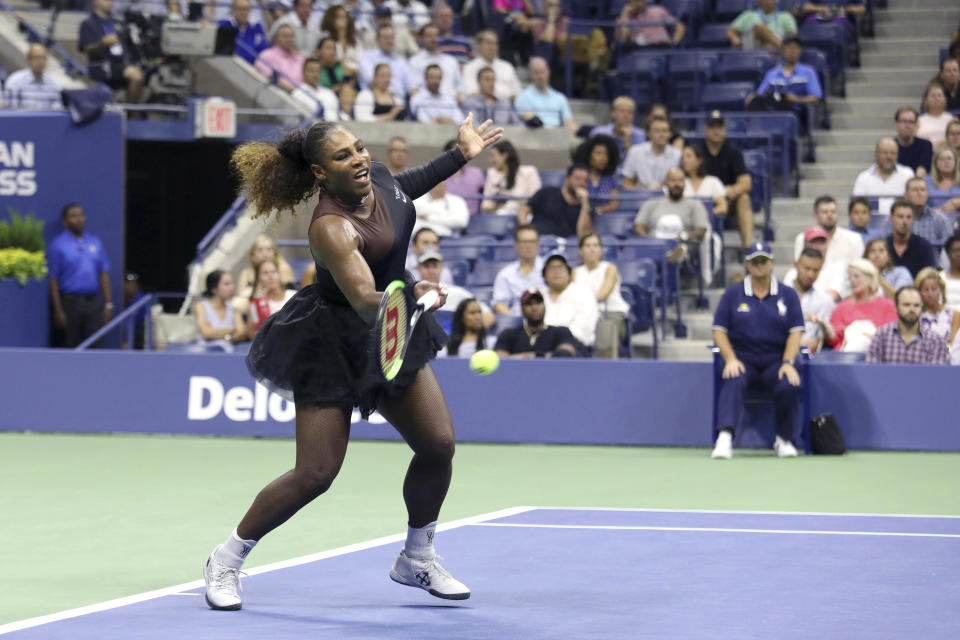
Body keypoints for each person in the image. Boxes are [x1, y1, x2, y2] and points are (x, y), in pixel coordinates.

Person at [203, 114, 502, 610]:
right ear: (321, 173)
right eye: (343, 156)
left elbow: (405, 190)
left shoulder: (376, 175)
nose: (359, 159)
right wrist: (416, 291)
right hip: (334, 339)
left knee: (439, 444)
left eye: (359, 149)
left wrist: (460, 154)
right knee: (316, 472)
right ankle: (226, 558)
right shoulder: (330, 227)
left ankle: (417, 558)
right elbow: (366, 299)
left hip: (395, 326)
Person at [711, 241, 804, 460]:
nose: (759, 265)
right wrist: (731, 359)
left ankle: (784, 439)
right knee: (733, 377)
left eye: (763, 261)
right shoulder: (732, 294)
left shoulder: (788, 295)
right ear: (747, 265)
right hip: (743, 358)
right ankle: (724, 438)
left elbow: (795, 332)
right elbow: (719, 330)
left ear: (771, 263)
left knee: (788, 383)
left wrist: (788, 363)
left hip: (776, 360)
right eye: (755, 262)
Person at [48, 203, 114, 349]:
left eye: (81, 215)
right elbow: (53, 279)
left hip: (94, 304)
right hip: (70, 303)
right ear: (65, 221)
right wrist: (58, 310)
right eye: (73, 216)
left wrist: (108, 303)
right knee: (70, 345)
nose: (79, 219)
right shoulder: (58, 244)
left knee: (96, 345)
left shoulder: (95, 242)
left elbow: (103, 273)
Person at [812, 259, 897, 352]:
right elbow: (834, 340)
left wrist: (873, 338)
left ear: (870, 278)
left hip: (879, 355)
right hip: (846, 356)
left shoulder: (888, 305)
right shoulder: (841, 307)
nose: (852, 280)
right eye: (850, 277)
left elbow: (893, 336)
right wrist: (826, 328)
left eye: (856, 276)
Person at [791, 195, 863, 300]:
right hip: (807, 294)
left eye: (833, 212)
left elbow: (859, 272)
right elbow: (801, 269)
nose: (830, 215)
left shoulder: (854, 239)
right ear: (815, 215)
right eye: (825, 212)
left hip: (845, 295)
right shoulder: (802, 239)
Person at [699, 111, 754, 249]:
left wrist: (732, 190)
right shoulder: (697, 152)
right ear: (704, 129)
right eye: (712, 127)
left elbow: (746, 182)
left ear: (724, 129)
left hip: (727, 200)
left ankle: (748, 250)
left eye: (719, 127)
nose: (716, 131)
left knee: (744, 198)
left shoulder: (733, 153)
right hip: (702, 200)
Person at [745, 35, 822, 132]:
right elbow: (761, 94)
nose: (793, 51)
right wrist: (753, 96)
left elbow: (816, 98)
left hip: (794, 113)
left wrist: (798, 99)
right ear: (782, 50)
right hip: (772, 111)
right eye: (789, 47)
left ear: (800, 50)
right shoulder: (772, 73)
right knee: (755, 102)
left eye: (796, 47)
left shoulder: (808, 72)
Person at [573, 233, 631, 357]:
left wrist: (583, 304)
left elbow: (603, 295)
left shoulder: (610, 268)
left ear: (601, 250)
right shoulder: (575, 272)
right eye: (587, 246)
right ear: (580, 251)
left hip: (610, 312)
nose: (592, 249)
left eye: (596, 245)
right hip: (582, 313)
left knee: (602, 328)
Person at [633, 168, 709, 261]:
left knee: (684, 249)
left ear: (685, 183)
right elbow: (638, 226)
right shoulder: (651, 203)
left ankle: (673, 256)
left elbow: (701, 230)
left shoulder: (695, 205)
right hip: (655, 245)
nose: (677, 184)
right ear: (666, 183)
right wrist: (648, 238)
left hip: (683, 244)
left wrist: (684, 236)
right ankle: (669, 256)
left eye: (680, 180)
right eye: (673, 180)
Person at [78, 0, 144, 103]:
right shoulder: (88, 24)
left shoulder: (119, 23)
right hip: (102, 65)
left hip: (124, 63)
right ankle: (131, 112)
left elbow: (131, 47)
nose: (111, 2)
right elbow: (86, 49)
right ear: (95, 2)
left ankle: (131, 108)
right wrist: (103, 43)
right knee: (136, 76)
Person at [866, 286, 950, 365]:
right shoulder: (881, 336)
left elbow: (937, 377)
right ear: (896, 307)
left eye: (916, 305)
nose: (911, 309)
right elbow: (872, 372)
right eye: (906, 305)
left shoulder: (934, 340)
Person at [415, 248, 493, 327]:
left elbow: (488, 315)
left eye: (435, 266)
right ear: (419, 268)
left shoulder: (458, 293)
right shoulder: (412, 295)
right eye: (426, 266)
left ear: (441, 267)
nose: (431, 271)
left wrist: (473, 336)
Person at [494, 289, 579, 358]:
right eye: (529, 304)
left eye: (538, 303)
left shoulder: (561, 331)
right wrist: (542, 356)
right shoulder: (509, 334)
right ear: (522, 309)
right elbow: (501, 360)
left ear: (545, 306)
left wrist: (530, 356)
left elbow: (565, 354)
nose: (534, 308)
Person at [541, 253, 599, 349]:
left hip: (575, 345)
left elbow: (583, 328)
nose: (556, 272)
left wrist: (555, 338)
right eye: (551, 268)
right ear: (544, 275)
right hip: (541, 345)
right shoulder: (538, 295)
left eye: (560, 267)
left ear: (569, 273)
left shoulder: (584, 293)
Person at [519, 164, 594, 238]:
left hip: (563, 245)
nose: (581, 183)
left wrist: (585, 204)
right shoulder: (547, 192)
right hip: (538, 241)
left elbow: (583, 235)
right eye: (577, 179)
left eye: (585, 180)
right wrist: (526, 232)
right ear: (567, 179)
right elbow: (524, 210)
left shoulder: (586, 206)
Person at [784, 248, 835, 353]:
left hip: (808, 356)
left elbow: (823, 339)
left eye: (816, 270)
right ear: (796, 265)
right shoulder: (779, 294)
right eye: (806, 268)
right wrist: (797, 343)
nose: (810, 274)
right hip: (779, 353)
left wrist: (820, 336)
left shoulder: (825, 300)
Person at [492, 224, 545, 316]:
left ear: (538, 244)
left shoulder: (548, 269)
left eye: (532, 241)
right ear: (516, 244)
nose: (528, 246)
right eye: (524, 242)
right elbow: (498, 303)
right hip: (517, 323)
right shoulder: (505, 274)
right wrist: (515, 321)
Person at [514, 57, 578, 132]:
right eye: (536, 72)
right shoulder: (522, 97)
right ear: (531, 75)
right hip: (535, 137)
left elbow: (568, 122)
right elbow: (533, 121)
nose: (540, 76)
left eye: (542, 71)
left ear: (548, 71)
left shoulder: (560, 97)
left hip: (558, 136)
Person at [481, 141, 541, 216]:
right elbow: (485, 205)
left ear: (505, 155)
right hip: (498, 217)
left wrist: (511, 200)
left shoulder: (529, 172)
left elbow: (536, 202)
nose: (491, 160)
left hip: (524, 217)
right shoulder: (492, 174)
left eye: (493, 156)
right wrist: (497, 205)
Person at [621, 116, 682, 191]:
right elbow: (627, 183)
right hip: (640, 197)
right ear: (648, 133)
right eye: (657, 131)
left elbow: (681, 183)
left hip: (667, 198)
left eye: (665, 131)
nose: (661, 135)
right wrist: (644, 190)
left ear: (670, 134)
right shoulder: (635, 151)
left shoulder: (677, 155)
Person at [461, 30, 523, 100]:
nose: (492, 47)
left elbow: (518, 92)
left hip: (507, 107)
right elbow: (471, 92)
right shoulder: (469, 67)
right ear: (479, 46)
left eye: (495, 44)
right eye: (489, 43)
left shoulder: (507, 67)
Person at [408, 23, 462, 102]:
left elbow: (460, 86)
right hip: (427, 105)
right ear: (421, 38)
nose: (433, 39)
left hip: (451, 105)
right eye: (429, 36)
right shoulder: (414, 61)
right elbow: (413, 89)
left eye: (435, 36)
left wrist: (460, 96)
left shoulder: (451, 61)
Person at [915, 267, 960, 361]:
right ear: (919, 292)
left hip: (948, 359)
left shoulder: (954, 315)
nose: (930, 294)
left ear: (941, 290)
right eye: (926, 290)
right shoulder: (915, 315)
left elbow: (954, 345)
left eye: (934, 289)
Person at [885, 199, 938, 278]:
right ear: (891, 219)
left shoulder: (924, 247)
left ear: (913, 219)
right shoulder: (883, 246)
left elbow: (928, 278)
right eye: (900, 217)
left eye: (909, 217)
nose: (905, 221)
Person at [358, 24, 413, 98]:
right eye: (385, 38)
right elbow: (373, 81)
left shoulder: (401, 62)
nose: (389, 41)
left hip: (399, 102)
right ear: (377, 39)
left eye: (391, 38)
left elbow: (411, 86)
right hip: (375, 101)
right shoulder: (366, 57)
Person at [246, 260, 297, 339]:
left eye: (273, 272)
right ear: (258, 280)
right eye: (265, 273)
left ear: (279, 275)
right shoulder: (257, 302)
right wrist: (260, 302)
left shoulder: (294, 295)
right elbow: (253, 336)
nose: (270, 276)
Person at [2, 44, 63, 110]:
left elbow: (57, 111)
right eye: (37, 58)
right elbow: (11, 112)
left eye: (43, 58)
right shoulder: (15, 82)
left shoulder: (55, 83)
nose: (40, 61)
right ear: (28, 60)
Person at [237, 234, 296, 301]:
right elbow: (240, 297)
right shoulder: (246, 273)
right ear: (252, 255)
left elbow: (290, 294)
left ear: (275, 253)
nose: (265, 253)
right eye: (260, 250)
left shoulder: (283, 268)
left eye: (269, 249)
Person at [195, 270, 247, 345]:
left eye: (232, 283)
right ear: (214, 288)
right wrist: (232, 330)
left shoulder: (234, 308)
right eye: (226, 284)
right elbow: (206, 333)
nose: (232, 288)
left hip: (230, 353)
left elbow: (241, 332)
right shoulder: (201, 306)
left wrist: (215, 332)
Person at [590, 96, 647, 165]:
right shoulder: (598, 133)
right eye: (622, 111)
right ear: (613, 113)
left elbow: (641, 164)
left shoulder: (641, 135)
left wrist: (627, 142)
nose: (626, 115)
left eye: (630, 112)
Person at [573, 135, 621, 214]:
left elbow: (614, 204)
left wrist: (597, 210)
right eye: (598, 153)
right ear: (589, 155)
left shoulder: (611, 180)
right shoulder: (580, 177)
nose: (603, 158)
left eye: (606, 154)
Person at [726, 0, 797, 50]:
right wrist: (734, 38)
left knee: (770, 46)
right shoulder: (748, 15)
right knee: (759, 28)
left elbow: (792, 38)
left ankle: (781, 47)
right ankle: (784, 49)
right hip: (750, 47)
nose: (768, 1)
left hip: (774, 49)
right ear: (759, 1)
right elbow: (730, 32)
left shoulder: (786, 16)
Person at [616, 0, 685, 49]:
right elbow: (622, 40)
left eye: (640, 1)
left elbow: (680, 27)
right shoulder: (624, 18)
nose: (638, 3)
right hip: (638, 49)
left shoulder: (658, 11)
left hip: (661, 45)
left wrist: (674, 43)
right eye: (634, 1)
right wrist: (624, 17)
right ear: (629, 3)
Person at [442, 139, 486, 216]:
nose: (462, 154)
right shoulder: (440, 176)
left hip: (473, 218)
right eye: (458, 151)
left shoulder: (476, 173)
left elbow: (487, 193)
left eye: (464, 151)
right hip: (446, 217)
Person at [254, 24, 305, 91]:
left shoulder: (300, 59)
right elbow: (271, 78)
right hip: (277, 94)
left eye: (291, 36)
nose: (289, 39)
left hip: (301, 96)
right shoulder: (267, 55)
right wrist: (294, 92)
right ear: (276, 39)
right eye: (285, 36)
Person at [681, 145, 728, 216]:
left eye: (688, 156)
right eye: (683, 157)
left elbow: (723, 207)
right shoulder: (678, 182)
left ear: (699, 160)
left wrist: (704, 215)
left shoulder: (713, 181)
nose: (684, 160)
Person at [219, 0, 269, 65]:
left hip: (253, 68)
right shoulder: (225, 25)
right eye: (240, 9)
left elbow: (263, 51)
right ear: (233, 10)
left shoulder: (257, 27)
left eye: (246, 9)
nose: (243, 12)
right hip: (231, 65)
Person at [320, 4, 360, 78]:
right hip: (332, 75)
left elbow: (359, 60)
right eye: (339, 17)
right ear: (331, 19)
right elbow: (329, 60)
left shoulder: (354, 40)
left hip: (354, 76)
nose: (343, 19)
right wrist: (345, 66)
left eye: (345, 17)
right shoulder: (325, 38)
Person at [894, 107, 933, 178]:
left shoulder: (925, 146)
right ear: (896, 124)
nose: (907, 125)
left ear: (916, 125)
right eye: (904, 121)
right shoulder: (890, 147)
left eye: (911, 122)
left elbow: (921, 173)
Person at [917, 84, 954, 148]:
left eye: (939, 95)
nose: (936, 98)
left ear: (945, 99)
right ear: (926, 100)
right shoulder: (918, 120)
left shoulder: (952, 119)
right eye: (933, 96)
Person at [926, 147, 960, 214]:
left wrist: (957, 202)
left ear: (955, 163)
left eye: (950, 158)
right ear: (936, 163)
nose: (946, 162)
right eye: (942, 159)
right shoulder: (926, 181)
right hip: (932, 218)